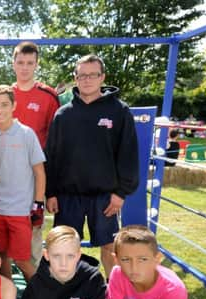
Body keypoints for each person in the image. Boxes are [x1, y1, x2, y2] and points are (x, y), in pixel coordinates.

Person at [45, 54, 139, 278]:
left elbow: (128, 154)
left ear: (102, 77)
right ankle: (66, 296)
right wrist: (51, 193)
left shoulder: (119, 111)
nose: (87, 80)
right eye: (82, 75)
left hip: (105, 197)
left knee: (109, 248)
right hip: (68, 197)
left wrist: (120, 193)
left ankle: (116, 297)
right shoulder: (63, 115)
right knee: (65, 249)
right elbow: (52, 157)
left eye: (93, 75)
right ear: (75, 78)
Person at [0, 85, 45, 282]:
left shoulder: (26, 133)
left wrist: (38, 204)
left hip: (20, 210)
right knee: (1, 256)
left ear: (13, 105)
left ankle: (41, 296)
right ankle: (8, 295)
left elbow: (39, 172)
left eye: (4, 104)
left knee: (22, 260)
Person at [12, 41, 61, 269]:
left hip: (34, 176)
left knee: (33, 227)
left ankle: (36, 283)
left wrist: (49, 187)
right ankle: (4, 280)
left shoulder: (48, 96)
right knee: (3, 228)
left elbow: (55, 143)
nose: (24, 67)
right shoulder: (3, 95)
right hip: (4, 176)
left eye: (29, 63)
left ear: (36, 64)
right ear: (13, 64)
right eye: (20, 62)